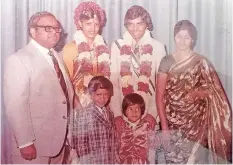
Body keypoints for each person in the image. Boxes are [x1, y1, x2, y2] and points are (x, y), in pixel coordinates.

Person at [156, 20, 232, 163]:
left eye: (187, 37)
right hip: (173, 125)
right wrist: (165, 128)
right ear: (174, 37)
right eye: (179, 36)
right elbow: (159, 97)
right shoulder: (166, 61)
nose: (182, 41)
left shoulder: (201, 61)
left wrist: (196, 94)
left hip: (197, 124)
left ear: (193, 40)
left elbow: (214, 92)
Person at [3, 11, 75, 164]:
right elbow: (16, 106)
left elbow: (64, 97)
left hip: (58, 144)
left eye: (57, 28)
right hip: (34, 146)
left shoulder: (56, 56)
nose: (55, 32)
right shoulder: (18, 60)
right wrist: (25, 143)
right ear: (32, 31)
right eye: (48, 28)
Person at [110, 5, 167, 132]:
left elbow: (160, 87)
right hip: (124, 114)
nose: (135, 29)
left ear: (146, 24)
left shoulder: (159, 47)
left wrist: (152, 113)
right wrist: (118, 114)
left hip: (149, 114)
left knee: (148, 152)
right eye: (130, 24)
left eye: (139, 24)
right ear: (126, 26)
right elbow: (113, 83)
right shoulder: (117, 46)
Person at [63, 1, 111, 108]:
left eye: (96, 24)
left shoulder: (103, 48)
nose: (93, 28)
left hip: (100, 103)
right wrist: (77, 104)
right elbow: (66, 83)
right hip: (79, 103)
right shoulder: (70, 48)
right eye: (88, 24)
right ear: (80, 23)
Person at [72, 76, 116, 164]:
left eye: (106, 94)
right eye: (98, 94)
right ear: (91, 95)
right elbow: (80, 144)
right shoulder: (84, 114)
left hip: (109, 160)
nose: (102, 98)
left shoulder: (109, 113)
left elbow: (113, 139)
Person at [117, 93, 156, 164]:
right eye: (130, 109)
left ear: (142, 111)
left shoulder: (146, 125)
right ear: (125, 111)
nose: (134, 112)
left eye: (137, 109)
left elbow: (152, 149)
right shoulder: (121, 126)